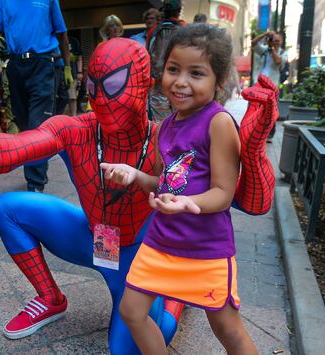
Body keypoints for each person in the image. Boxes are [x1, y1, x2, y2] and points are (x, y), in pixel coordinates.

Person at [0, 36, 278, 353]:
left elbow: (247, 200)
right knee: (10, 206)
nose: (101, 99)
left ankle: (176, 301)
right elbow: (11, 148)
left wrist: (253, 144)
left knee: (130, 340)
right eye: (93, 85)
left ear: (141, 85)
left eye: (115, 85)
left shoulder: (169, 135)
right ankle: (50, 297)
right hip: (93, 236)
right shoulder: (78, 128)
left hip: (143, 251)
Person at [102, 23, 259, 354]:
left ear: (218, 81)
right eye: (173, 69)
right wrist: (133, 175)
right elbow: (165, 185)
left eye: (196, 73)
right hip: (161, 242)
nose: (181, 81)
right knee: (131, 311)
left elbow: (222, 193)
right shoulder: (165, 128)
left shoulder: (218, 123)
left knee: (227, 329)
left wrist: (188, 203)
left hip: (207, 248)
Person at [0, 0, 72, 193]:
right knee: (25, 126)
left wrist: (67, 66)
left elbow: (62, 33)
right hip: (15, 65)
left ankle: (35, 185)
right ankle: (39, 171)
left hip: (42, 64)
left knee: (37, 125)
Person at [147, 0, 185, 123]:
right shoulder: (185, 29)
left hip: (157, 84)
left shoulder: (153, 31)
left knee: (160, 123)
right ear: (179, 11)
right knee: (180, 120)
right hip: (179, 83)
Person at [251, 31, 287, 142]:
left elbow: (278, 61)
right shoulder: (264, 50)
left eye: (277, 41)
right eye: (273, 40)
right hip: (260, 84)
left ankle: (270, 133)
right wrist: (264, 34)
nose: (274, 43)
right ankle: (257, 131)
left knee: (271, 110)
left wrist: (272, 49)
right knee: (258, 108)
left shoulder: (283, 53)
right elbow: (253, 43)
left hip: (272, 86)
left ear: (280, 42)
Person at [66, 36, 83, 116]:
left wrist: (79, 72)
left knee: (72, 95)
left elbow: (79, 57)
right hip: (59, 70)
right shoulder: (55, 40)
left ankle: (73, 116)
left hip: (73, 73)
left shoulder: (73, 41)